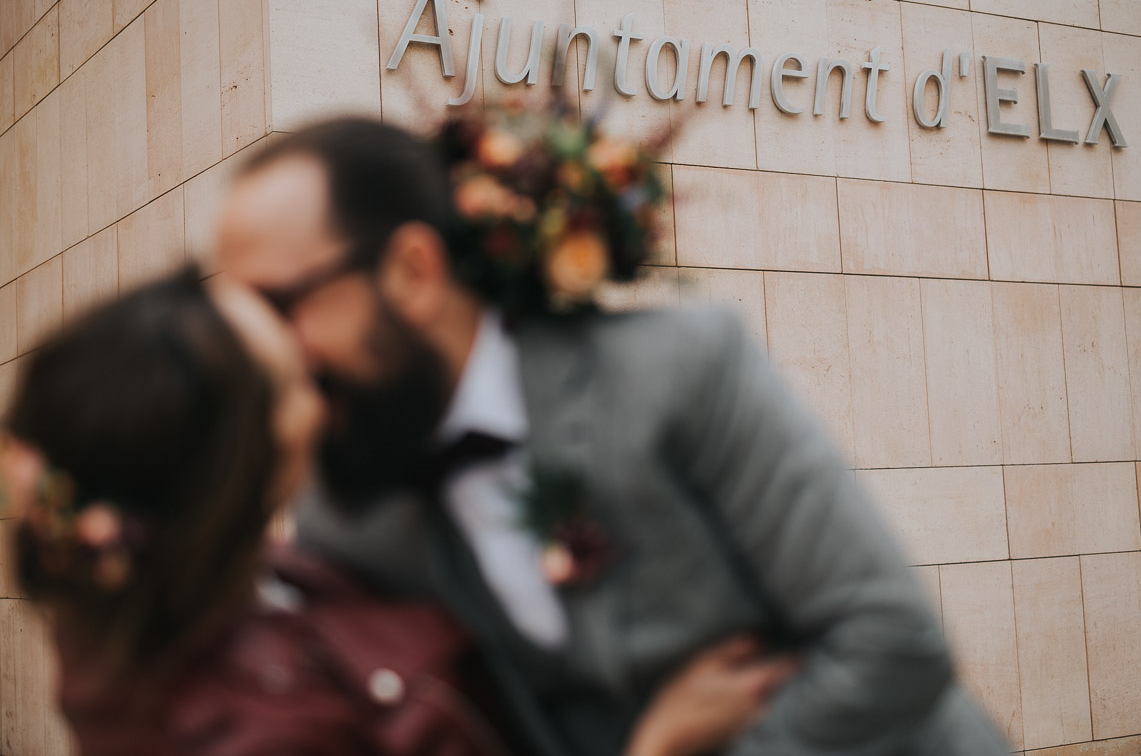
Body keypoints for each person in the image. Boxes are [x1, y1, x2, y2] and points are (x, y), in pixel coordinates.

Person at [215, 112, 1010, 756]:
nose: (261, 353)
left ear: (415, 272)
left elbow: (890, 644)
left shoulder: (681, 370)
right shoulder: (338, 513)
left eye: (280, 306)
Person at [0, 269, 794, 756]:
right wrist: (659, 746)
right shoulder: (245, 738)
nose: (325, 383)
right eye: (295, 382)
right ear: (232, 469)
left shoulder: (182, 586)